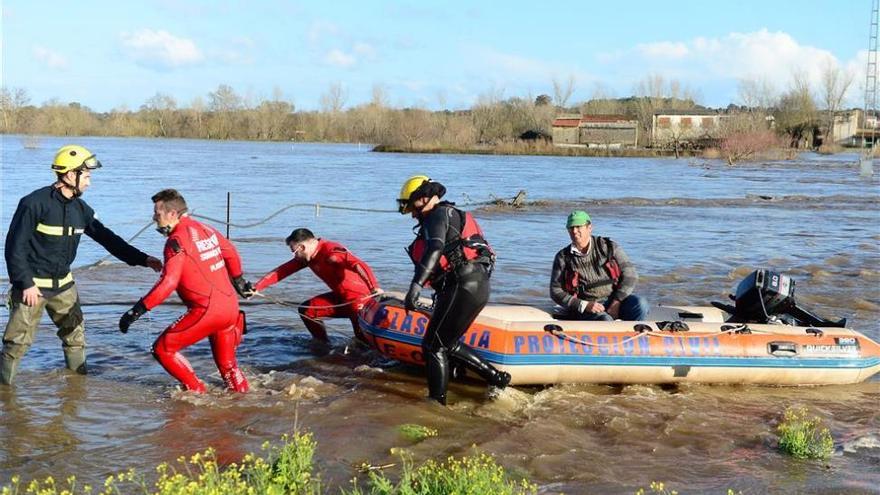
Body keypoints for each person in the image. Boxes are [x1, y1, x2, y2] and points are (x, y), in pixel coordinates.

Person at [1, 145, 162, 386]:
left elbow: (108, 238)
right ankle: (6, 400)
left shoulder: (80, 209)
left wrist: (142, 259)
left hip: (65, 287)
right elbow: (14, 247)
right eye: (86, 176)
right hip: (32, 288)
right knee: (16, 345)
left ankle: (77, 391)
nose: (89, 182)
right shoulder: (33, 203)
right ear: (69, 174)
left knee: (75, 339)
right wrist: (25, 283)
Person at [118, 189, 251, 393]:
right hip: (231, 308)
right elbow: (231, 252)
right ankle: (245, 400)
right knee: (228, 366)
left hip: (207, 311)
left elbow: (168, 282)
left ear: (172, 214)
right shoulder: (205, 228)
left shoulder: (175, 241)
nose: (154, 218)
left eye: (158, 213)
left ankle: (198, 393)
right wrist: (239, 280)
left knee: (162, 349)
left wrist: (136, 311)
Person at [398, 175, 510, 405]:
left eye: (413, 206)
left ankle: (436, 404)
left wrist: (416, 286)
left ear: (425, 198)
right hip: (474, 285)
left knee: (432, 346)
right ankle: (497, 378)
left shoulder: (438, 215)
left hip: (462, 284)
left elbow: (435, 248)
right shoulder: (449, 215)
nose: (412, 213)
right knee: (446, 342)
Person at [249, 228, 381, 343]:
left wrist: (374, 287)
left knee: (362, 342)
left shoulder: (330, 251)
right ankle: (322, 345)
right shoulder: (308, 258)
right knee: (307, 310)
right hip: (340, 299)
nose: (294, 256)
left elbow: (359, 264)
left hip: (360, 301)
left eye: (293, 251)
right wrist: (257, 287)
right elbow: (282, 271)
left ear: (302, 247)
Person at [550, 210, 650, 321]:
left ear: (589, 228)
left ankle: (632, 335)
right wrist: (583, 305)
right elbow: (555, 291)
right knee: (605, 320)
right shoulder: (562, 257)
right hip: (585, 307)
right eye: (571, 228)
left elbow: (631, 275)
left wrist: (616, 302)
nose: (574, 231)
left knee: (641, 304)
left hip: (614, 299)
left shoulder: (609, 247)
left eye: (578, 227)